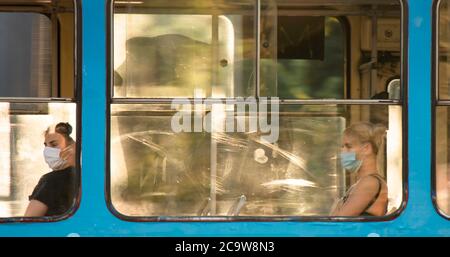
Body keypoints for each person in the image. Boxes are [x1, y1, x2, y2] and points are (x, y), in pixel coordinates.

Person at [330, 122, 388, 216]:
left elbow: (339, 222)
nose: (342, 152)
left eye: (348, 147)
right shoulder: (359, 184)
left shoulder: (370, 182)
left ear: (366, 148)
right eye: (342, 147)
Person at [24, 122, 77, 217]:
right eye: (46, 145)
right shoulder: (85, 176)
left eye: (54, 145)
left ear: (72, 146)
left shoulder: (51, 180)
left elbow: (29, 220)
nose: (47, 151)